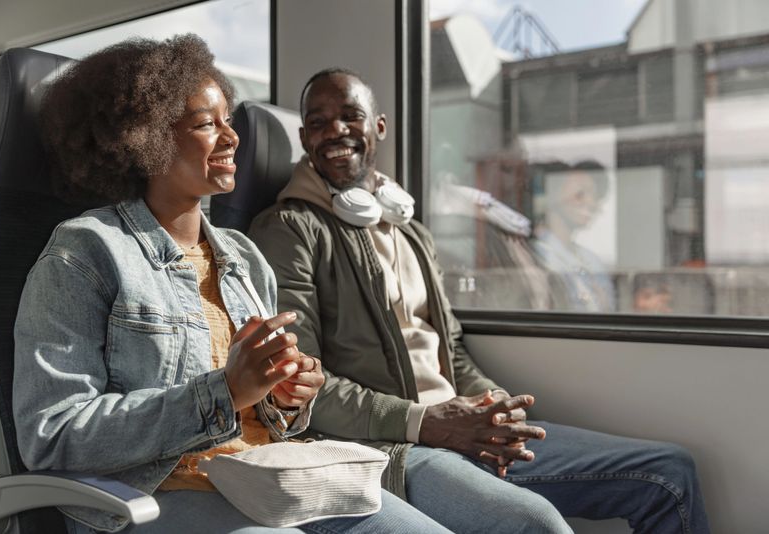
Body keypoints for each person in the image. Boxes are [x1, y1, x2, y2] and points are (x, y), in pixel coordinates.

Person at [12, 37, 451, 534]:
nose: (231, 138)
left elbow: (263, 412)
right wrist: (223, 391)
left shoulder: (244, 257)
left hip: (268, 481)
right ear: (143, 137)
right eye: (206, 124)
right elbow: (53, 434)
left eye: (228, 121)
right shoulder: (85, 253)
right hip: (151, 495)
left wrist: (286, 395)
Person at [248, 68, 711, 534]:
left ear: (379, 127)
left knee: (669, 472)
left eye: (351, 116)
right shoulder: (287, 231)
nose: (336, 131)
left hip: (458, 425)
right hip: (392, 443)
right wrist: (425, 421)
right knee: (540, 526)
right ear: (305, 136)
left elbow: (452, 348)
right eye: (320, 121)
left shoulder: (410, 231)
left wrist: (493, 407)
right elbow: (300, 386)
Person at [532, 160, 616, 312]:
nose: (591, 203)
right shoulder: (536, 255)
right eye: (580, 194)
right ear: (552, 196)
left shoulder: (592, 261)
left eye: (595, 196)